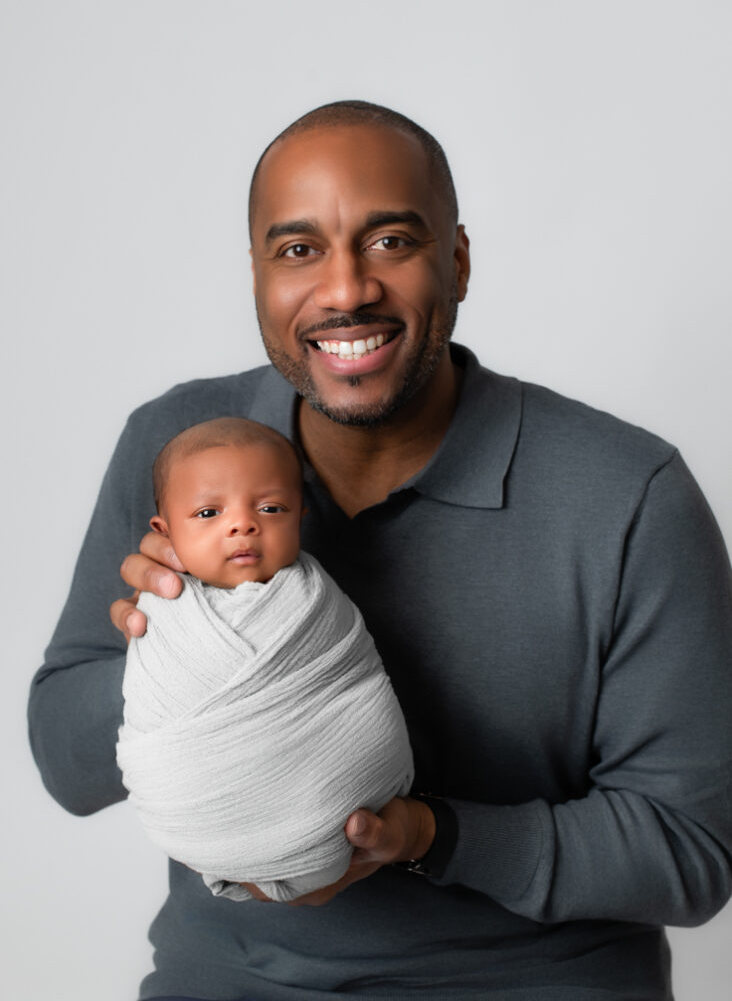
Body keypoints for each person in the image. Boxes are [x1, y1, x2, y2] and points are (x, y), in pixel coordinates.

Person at [29, 100, 732, 1000]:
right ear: (256, 275)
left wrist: (433, 837)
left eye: (391, 241)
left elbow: (693, 853)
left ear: (460, 260)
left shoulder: (627, 495)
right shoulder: (178, 455)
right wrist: (163, 646)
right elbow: (66, 770)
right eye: (297, 251)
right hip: (229, 982)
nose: (345, 289)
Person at [117, 416, 414, 903]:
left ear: (300, 518)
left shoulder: (315, 599)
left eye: (271, 507)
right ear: (164, 533)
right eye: (209, 513)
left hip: (349, 807)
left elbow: (354, 683)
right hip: (203, 818)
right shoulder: (160, 612)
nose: (242, 523)